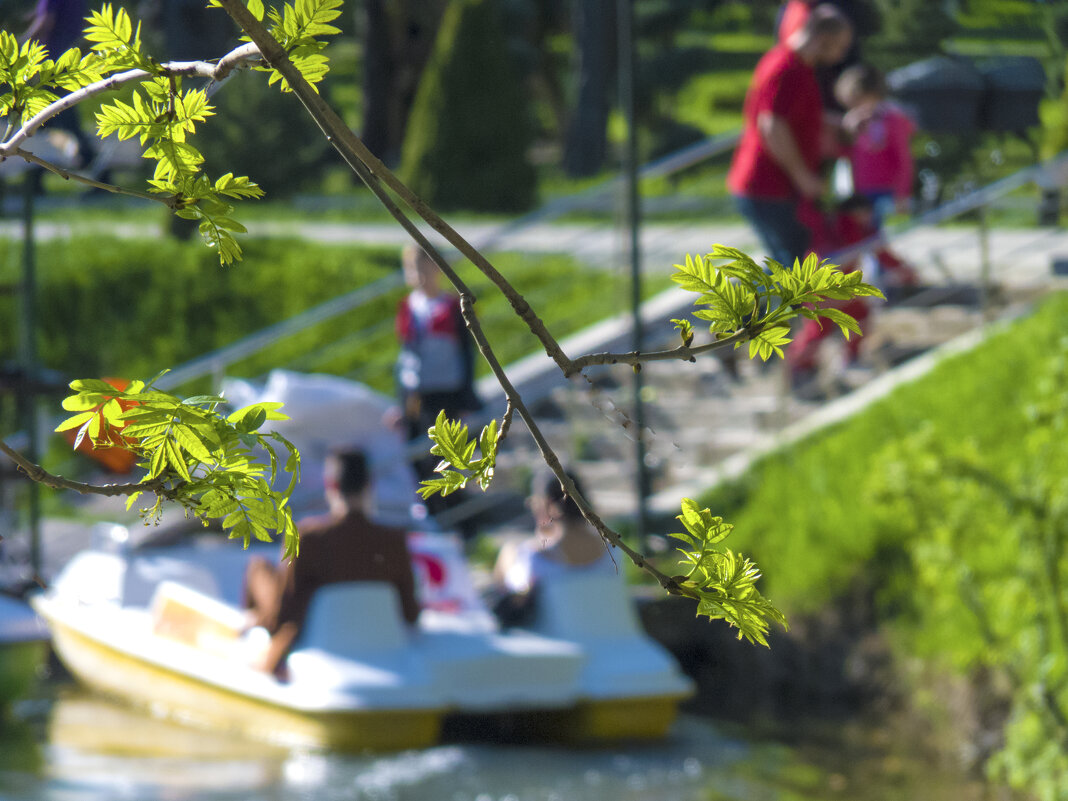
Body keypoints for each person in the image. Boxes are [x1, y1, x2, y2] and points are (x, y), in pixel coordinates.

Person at [242, 450, 420, 677]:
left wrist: (262, 619)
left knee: (257, 566)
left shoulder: (308, 537)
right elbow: (410, 613)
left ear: (331, 484)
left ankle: (249, 627)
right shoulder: (394, 541)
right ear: (369, 485)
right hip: (385, 652)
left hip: (316, 645)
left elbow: (284, 612)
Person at [727, 6, 853, 270]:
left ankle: (743, 309)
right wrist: (803, 177)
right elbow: (772, 125)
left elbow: (799, 118)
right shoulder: (786, 67)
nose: (841, 55)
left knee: (788, 263)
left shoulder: (800, 67)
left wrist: (845, 125)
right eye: (839, 47)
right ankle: (737, 310)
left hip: (776, 187)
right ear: (821, 39)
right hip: (766, 185)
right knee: (791, 269)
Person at [394, 245, 481, 528]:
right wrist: (401, 402)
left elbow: (467, 356)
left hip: (448, 393)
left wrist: (467, 400)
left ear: (437, 269)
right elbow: (405, 360)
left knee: (445, 456)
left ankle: (458, 518)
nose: (418, 275)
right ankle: (431, 515)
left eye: (423, 268)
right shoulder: (409, 307)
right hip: (418, 395)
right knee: (418, 458)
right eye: (412, 269)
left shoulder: (453, 307)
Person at [490, 469, 618, 626]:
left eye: (534, 502)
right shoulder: (614, 552)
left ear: (547, 504)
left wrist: (510, 552)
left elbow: (509, 590)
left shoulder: (534, 558)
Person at [835, 63, 916, 223]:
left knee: (878, 239)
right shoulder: (856, 123)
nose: (856, 109)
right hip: (862, 191)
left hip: (887, 191)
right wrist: (848, 133)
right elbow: (847, 153)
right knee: (861, 236)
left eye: (858, 103)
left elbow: (903, 158)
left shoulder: (892, 120)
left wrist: (902, 194)